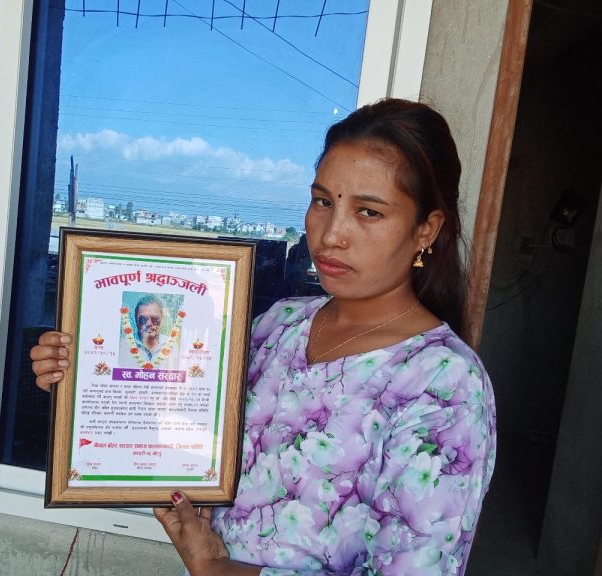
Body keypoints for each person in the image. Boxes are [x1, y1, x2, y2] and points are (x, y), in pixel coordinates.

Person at [31, 98, 496, 576]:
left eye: (368, 212)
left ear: (426, 230)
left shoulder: (443, 383)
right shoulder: (281, 325)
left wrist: (215, 570)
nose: (331, 234)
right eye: (323, 201)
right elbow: (188, 416)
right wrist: (88, 380)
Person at [117, 293, 181, 370]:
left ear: (162, 320)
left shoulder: (172, 346)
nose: (149, 324)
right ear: (136, 320)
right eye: (143, 319)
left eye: (155, 319)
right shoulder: (123, 346)